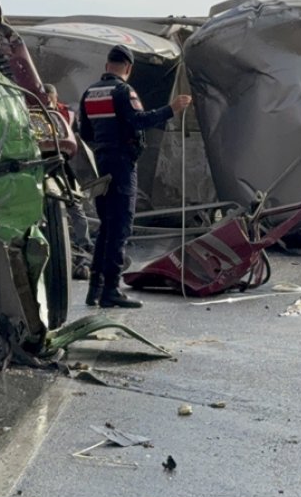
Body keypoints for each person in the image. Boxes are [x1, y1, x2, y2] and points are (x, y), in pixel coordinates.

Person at [78, 46, 191, 308]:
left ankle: (94, 290)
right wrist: (171, 109)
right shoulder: (123, 91)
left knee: (106, 227)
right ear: (128, 68)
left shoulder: (89, 93)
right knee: (120, 228)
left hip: (102, 165)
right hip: (122, 165)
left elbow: (85, 133)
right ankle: (111, 291)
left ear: (107, 66)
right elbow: (138, 120)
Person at [44, 83, 94, 280]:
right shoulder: (33, 113)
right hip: (43, 165)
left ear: (56, 97)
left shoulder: (65, 113)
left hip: (65, 166)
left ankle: (84, 245)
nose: (47, 101)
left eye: (50, 98)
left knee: (75, 206)